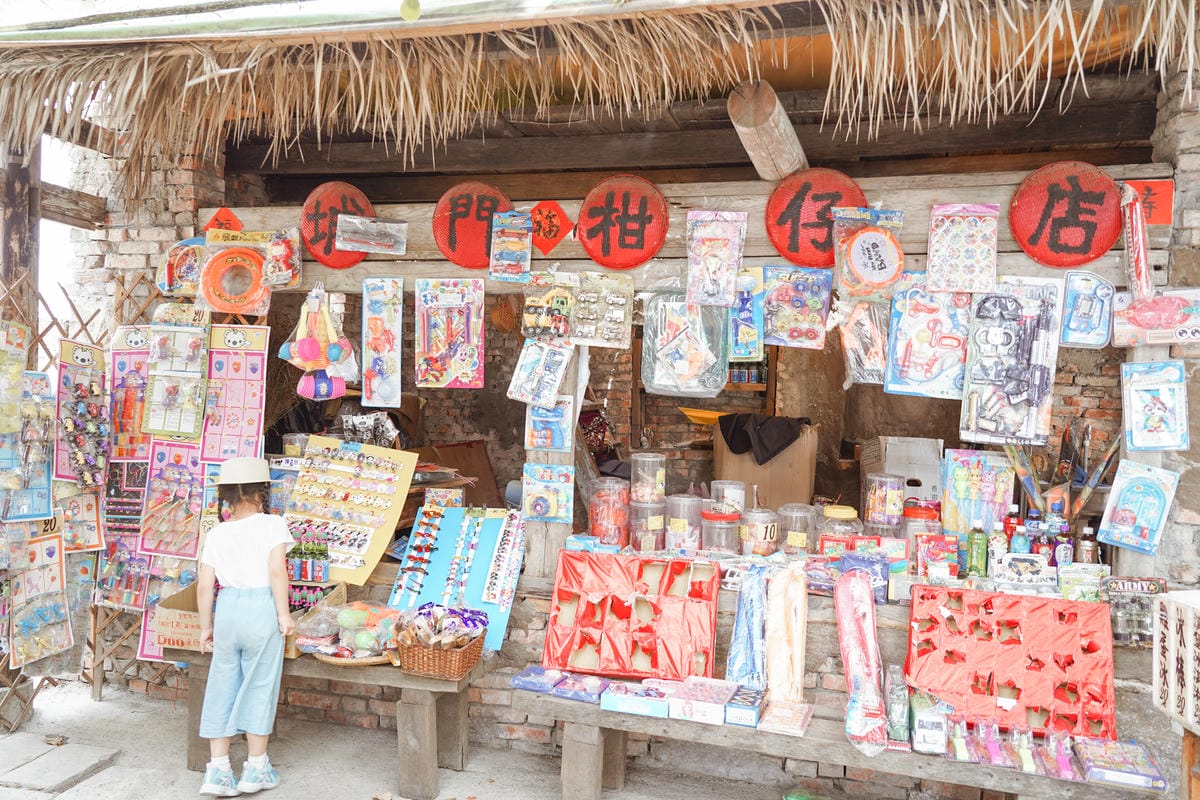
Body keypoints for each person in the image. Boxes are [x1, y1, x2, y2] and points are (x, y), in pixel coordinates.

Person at [197, 456, 296, 796]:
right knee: (259, 685)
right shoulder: (273, 525)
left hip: (227, 610)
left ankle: (218, 771)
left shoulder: (217, 532)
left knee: (221, 684)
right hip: (261, 608)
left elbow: (205, 585)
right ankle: (255, 768)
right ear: (261, 493)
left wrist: (204, 626)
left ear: (225, 496)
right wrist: (284, 615)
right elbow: (276, 572)